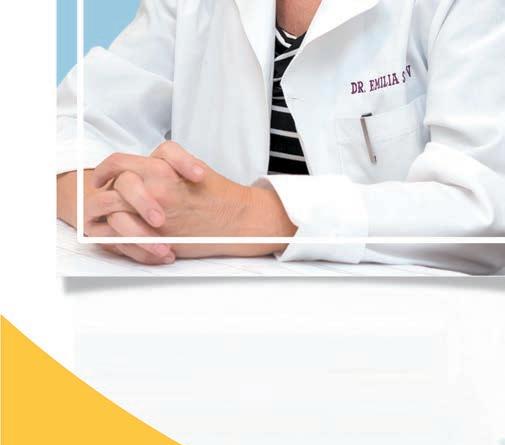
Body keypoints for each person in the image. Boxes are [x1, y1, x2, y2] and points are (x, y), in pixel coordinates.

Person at [57, 0, 505, 273]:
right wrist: (103, 199)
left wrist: (242, 215)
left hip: (414, 344)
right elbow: (74, 122)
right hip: (220, 327)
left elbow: (485, 211)